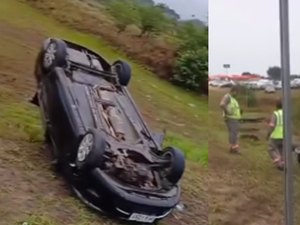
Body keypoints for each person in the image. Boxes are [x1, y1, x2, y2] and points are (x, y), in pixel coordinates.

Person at [219, 85, 242, 154]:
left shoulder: (232, 98)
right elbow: (222, 104)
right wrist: (227, 112)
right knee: (233, 133)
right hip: (231, 118)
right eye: (237, 92)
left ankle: (233, 147)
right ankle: (234, 148)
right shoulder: (227, 97)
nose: (238, 94)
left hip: (234, 118)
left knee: (235, 133)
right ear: (234, 91)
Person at [266, 99, 284, 170]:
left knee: (271, 149)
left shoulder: (275, 114)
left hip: (275, 135)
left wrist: (268, 134)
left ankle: (277, 161)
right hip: (284, 136)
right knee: (281, 150)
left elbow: (272, 126)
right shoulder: (286, 113)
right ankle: (282, 164)